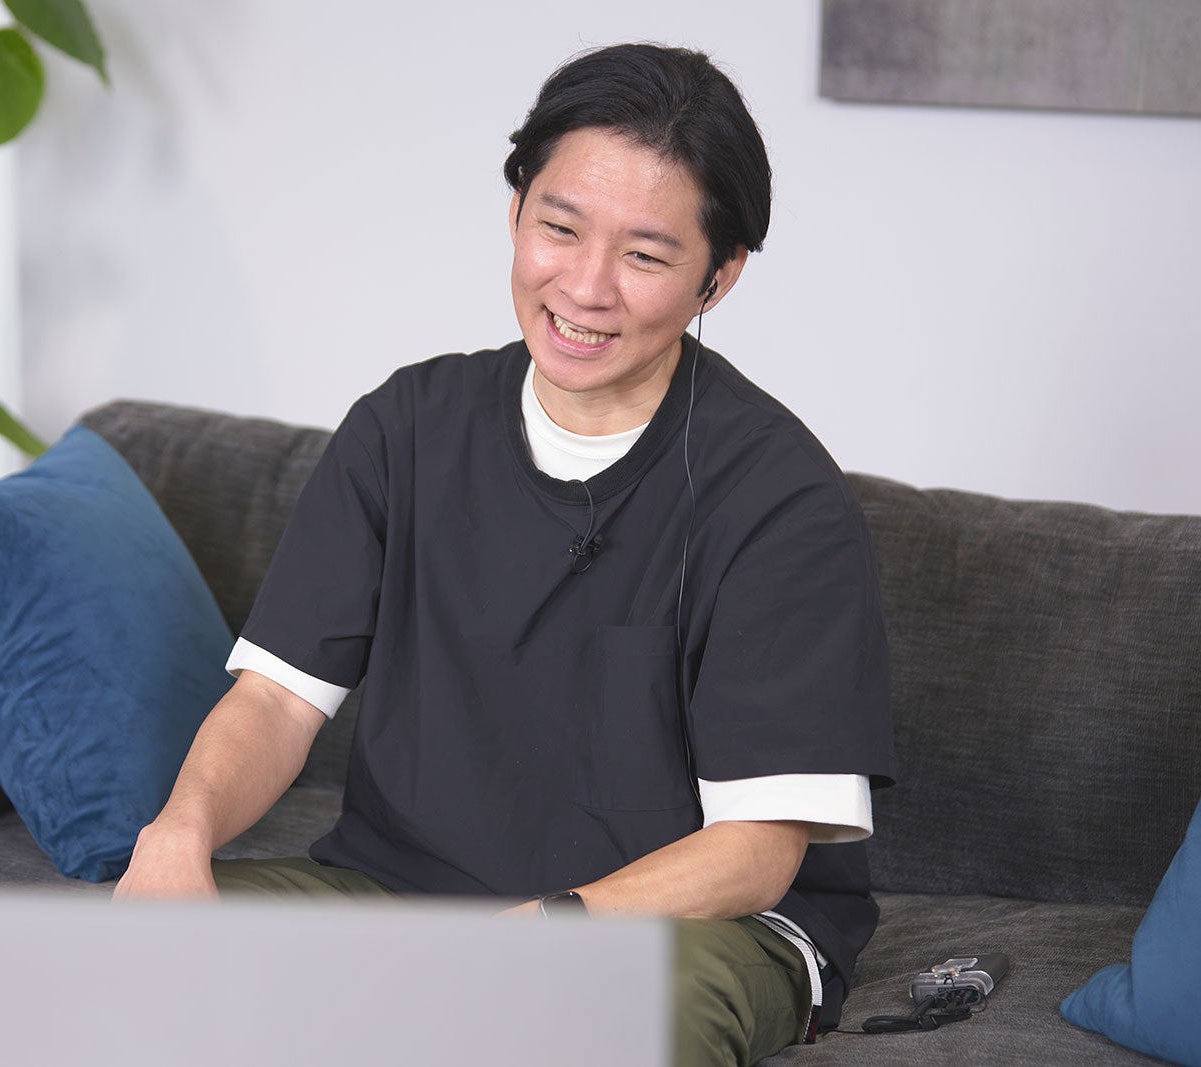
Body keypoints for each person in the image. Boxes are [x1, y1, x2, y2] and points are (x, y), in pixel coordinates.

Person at [115, 43, 896, 1066]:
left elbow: (756, 852)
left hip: (688, 929)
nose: (586, 286)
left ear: (720, 275)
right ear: (517, 210)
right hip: (401, 895)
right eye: (558, 228)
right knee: (109, 962)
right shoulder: (406, 427)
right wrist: (178, 829)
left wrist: (532, 937)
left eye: (645, 256)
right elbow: (275, 702)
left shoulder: (780, 498)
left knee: (569, 1021)